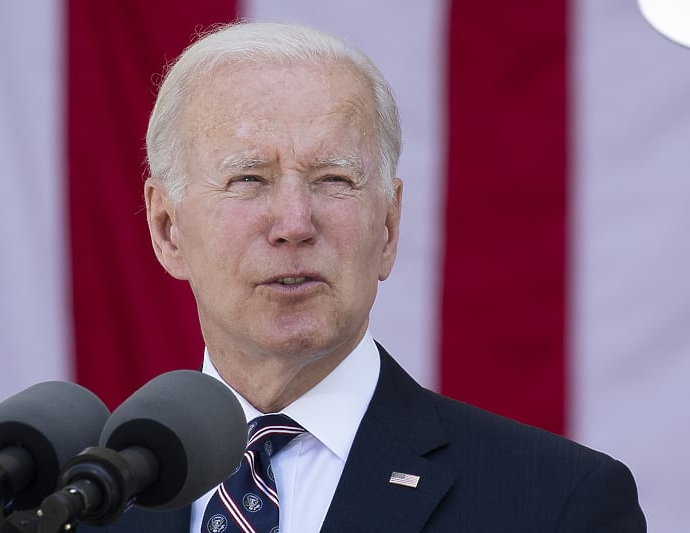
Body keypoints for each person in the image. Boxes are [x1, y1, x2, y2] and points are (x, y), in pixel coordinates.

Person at [96, 21, 646, 532]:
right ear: (168, 229)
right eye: (249, 179)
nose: (294, 224)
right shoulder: (73, 503)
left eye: (334, 179)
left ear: (387, 227)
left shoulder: (555, 504)